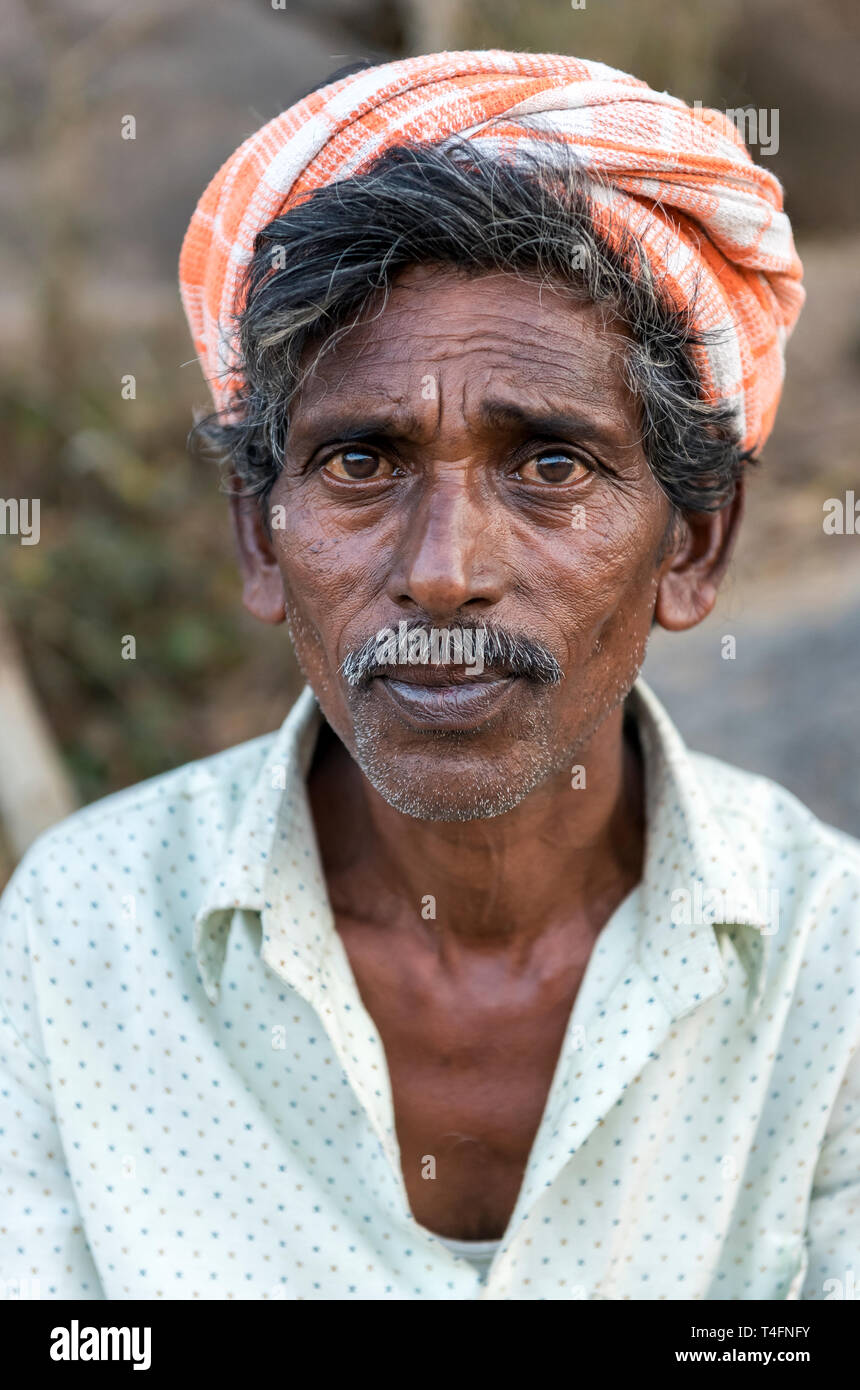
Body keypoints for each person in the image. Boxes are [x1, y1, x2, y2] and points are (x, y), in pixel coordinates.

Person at [1, 51, 857, 1303]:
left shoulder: (825, 972)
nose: (444, 571)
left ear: (693, 543)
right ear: (259, 535)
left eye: (550, 465)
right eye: (358, 460)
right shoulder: (81, 937)